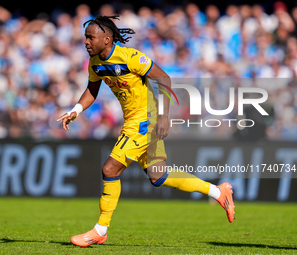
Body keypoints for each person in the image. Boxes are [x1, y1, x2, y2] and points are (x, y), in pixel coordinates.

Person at [57, 15, 235, 247]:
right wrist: (76, 110)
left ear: (107, 39)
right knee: (158, 176)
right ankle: (217, 191)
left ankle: (100, 230)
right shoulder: (95, 63)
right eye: (85, 37)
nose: (86, 42)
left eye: (91, 37)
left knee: (110, 168)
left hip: (145, 121)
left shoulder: (130, 57)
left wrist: (163, 116)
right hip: (132, 121)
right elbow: (92, 89)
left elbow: (164, 78)